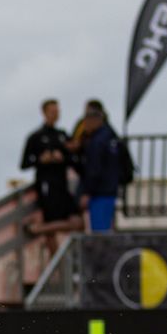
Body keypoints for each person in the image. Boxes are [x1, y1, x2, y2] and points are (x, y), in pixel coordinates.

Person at [22, 98, 84, 254]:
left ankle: (37, 229)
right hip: (46, 186)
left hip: (62, 184)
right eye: (52, 111)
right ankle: (58, 269)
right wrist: (41, 160)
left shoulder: (62, 135)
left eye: (57, 111)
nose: (56, 114)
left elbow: (74, 160)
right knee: (51, 229)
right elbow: (24, 164)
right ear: (44, 113)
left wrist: (63, 157)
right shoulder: (35, 137)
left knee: (77, 222)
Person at [78, 102, 128, 233]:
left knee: (100, 234)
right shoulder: (111, 136)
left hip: (100, 193)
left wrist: (87, 191)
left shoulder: (98, 141)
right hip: (109, 189)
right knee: (105, 229)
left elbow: (95, 169)